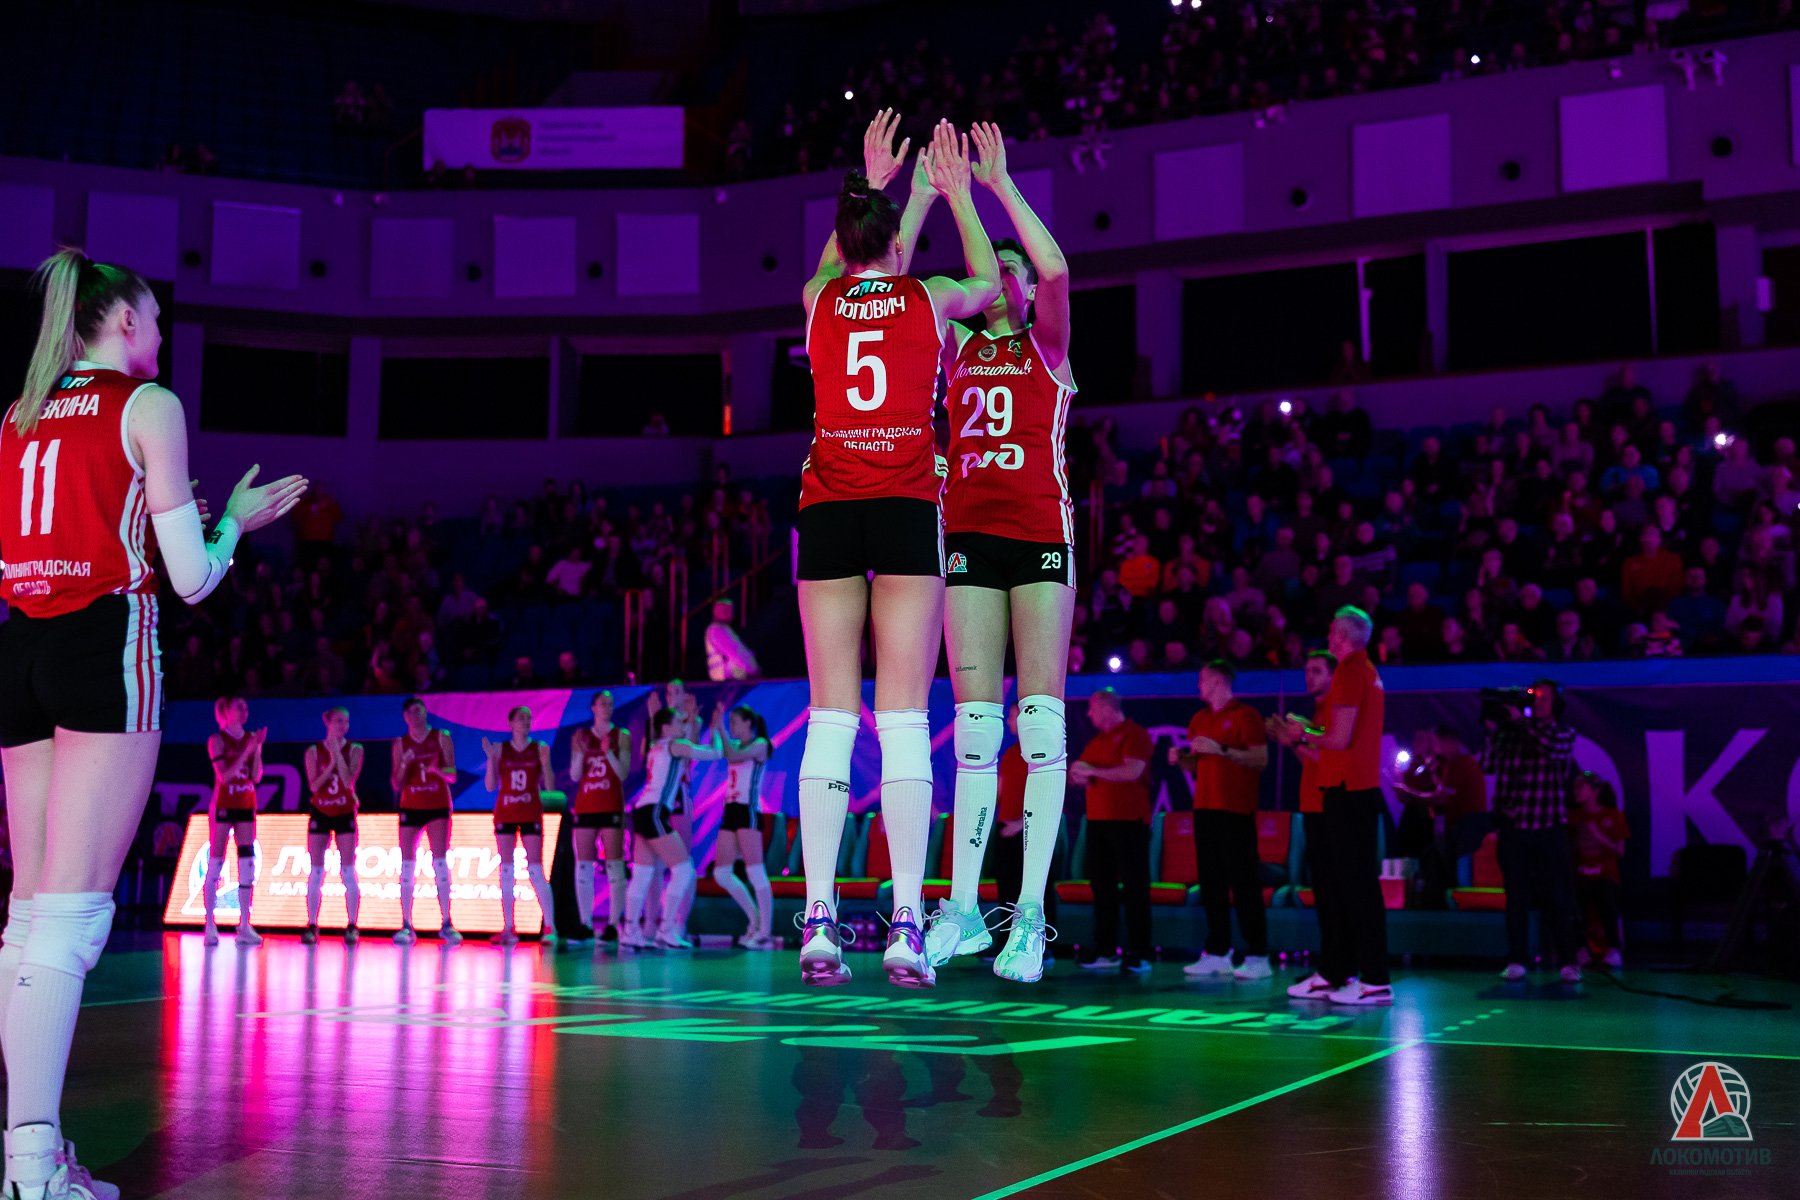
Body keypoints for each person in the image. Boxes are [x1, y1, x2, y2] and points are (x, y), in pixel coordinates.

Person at [0, 247, 305, 1200]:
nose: (164, 337)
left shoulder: (20, 413)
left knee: (29, 914)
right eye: (158, 321)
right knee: (71, 916)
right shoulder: (150, 406)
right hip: (104, 646)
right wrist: (234, 524)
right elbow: (192, 579)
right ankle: (32, 1170)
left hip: (21, 648)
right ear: (125, 320)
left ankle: (28, 1159)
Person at [793, 115, 999, 989]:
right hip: (907, 507)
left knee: (831, 719)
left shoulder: (819, 299)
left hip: (830, 509)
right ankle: (908, 928)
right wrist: (957, 194)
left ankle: (818, 925)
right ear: (898, 246)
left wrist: (875, 186)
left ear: (844, 240)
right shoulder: (928, 297)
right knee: (906, 720)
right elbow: (989, 282)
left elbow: (839, 262)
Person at [911, 122, 1076, 987]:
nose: (1004, 279)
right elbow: (916, 285)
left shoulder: (1048, 347)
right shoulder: (959, 346)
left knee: (1039, 725)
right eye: (995, 273)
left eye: (1013, 273)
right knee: (975, 730)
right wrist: (943, 197)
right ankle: (965, 909)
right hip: (970, 535)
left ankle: (1033, 916)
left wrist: (999, 187)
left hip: (1041, 536)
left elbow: (1055, 270)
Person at [1294, 607, 1392, 1005]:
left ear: (1344, 635)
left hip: (1349, 789)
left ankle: (1374, 980)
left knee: (1358, 888)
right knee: (1353, 886)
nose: (1329, 636)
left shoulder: (1351, 671)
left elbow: (1338, 738)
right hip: (1353, 788)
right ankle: (1347, 973)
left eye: (1333, 630)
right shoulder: (1365, 669)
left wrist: (1303, 731)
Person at [1173, 660, 1271, 981]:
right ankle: (1218, 952)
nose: (1198, 685)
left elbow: (1260, 758)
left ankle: (1258, 954)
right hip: (1205, 808)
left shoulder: (1245, 715)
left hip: (1236, 810)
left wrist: (1223, 749)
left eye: (1202, 679)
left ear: (1218, 681)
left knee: (1244, 883)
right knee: (1211, 883)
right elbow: (1199, 765)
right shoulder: (1200, 718)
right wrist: (1183, 759)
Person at [1481, 680, 1583, 983]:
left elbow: (1552, 750)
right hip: (1515, 827)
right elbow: (1487, 765)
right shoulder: (1511, 734)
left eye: (1544, 699)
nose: (1538, 703)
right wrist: (1494, 729)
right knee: (1516, 896)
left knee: (1558, 895)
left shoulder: (1563, 733)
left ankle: (1567, 960)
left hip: (1549, 824)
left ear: (1556, 705)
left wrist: (1520, 722)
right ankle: (1517, 958)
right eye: (1535, 698)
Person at [1267, 650, 1339, 999]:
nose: (1310, 676)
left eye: (1317, 671)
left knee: (1333, 894)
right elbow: (1312, 760)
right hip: (1313, 807)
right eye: (1307, 670)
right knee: (1323, 893)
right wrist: (1292, 741)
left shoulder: (1334, 713)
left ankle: (1337, 968)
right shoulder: (1320, 713)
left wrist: (1299, 737)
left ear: (1332, 675)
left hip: (1330, 809)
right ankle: (1330, 967)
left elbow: (1329, 760)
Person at [1069, 689, 1154, 975]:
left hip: (1129, 821)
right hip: (1098, 822)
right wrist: (1078, 773)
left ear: (1107, 708)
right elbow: (1080, 775)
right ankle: (1105, 949)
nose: (1089, 714)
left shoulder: (1134, 734)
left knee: (1134, 888)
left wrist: (1092, 771)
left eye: (1093, 708)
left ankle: (1139, 952)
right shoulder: (1096, 742)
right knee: (1102, 888)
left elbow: (1132, 771)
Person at [624, 706, 723, 950]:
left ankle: (630, 931)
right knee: (684, 869)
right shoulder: (675, 745)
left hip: (643, 810)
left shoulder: (655, 747)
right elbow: (715, 753)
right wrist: (717, 728)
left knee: (643, 874)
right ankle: (666, 929)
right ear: (667, 727)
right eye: (678, 721)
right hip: (655, 811)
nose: (683, 725)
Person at [482, 708, 558, 945]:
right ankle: (508, 928)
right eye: (520, 718)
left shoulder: (539, 748)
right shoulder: (501, 749)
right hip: (506, 812)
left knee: (535, 869)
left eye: (528, 718)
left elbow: (550, 787)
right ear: (510, 723)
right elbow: (490, 786)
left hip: (530, 812)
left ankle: (550, 927)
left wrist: (545, 763)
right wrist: (491, 759)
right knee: (507, 870)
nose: (526, 722)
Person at [390, 697, 462, 946]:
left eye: (419, 710)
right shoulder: (400, 743)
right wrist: (404, 763)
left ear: (425, 713)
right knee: (407, 864)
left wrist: (436, 770)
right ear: (405, 717)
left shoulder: (441, 736)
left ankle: (447, 923)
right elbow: (396, 783)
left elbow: (452, 774)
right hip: (411, 805)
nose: (416, 715)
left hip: (437, 804)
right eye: (412, 712)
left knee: (440, 861)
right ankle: (406, 924)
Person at [987, 706, 1059, 945]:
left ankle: (1042, 944)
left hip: (1034, 831)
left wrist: (1021, 824)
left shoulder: (1043, 751)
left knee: (1038, 889)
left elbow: (1050, 795)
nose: (1008, 721)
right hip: (1005, 830)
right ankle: (1005, 942)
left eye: (1011, 716)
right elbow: (999, 792)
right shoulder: (1010, 753)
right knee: (1007, 888)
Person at [568, 690, 630, 944]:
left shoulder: (621, 735)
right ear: (593, 707)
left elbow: (623, 773)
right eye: (602, 703)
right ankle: (585, 923)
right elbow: (574, 775)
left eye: (610, 704)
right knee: (584, 865)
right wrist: (583, 753)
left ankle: (613, 924)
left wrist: (608, 753)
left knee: (614, 864)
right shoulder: (581, 736)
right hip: (586, 805)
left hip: (611, 804)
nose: (606, 707)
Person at [203, 697, 265, 947]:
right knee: (216, 862)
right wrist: (248, 750)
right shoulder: (217, 740)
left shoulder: (251, 738)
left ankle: (244, 924)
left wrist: (257, 749)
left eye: (246, 707)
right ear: (226, 711)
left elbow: (256, 776)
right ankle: (210, 924)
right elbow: (225, 776)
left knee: (247, 863)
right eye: (239, 707)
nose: (244, 710)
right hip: (223, 804)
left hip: (246, 803)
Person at [301, 707, 362, 945]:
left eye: (346, 722)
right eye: (338, 721)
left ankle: (352, 925)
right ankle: (312, 925)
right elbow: (314, 786)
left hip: (344, 810)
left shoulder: (355, 749)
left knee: (348, 869)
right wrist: (331, 763)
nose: (343, 726)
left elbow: (347, 780)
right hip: (321, 810)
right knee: (317, 870)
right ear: (327, 723)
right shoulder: (313, 751)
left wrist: (337, 752)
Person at [718, 705, 777, 948]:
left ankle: (765, 932)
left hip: (747, 810)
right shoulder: (736, 745)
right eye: (729, 722)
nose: (731, 726)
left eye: (734, 721)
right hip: (731, 808)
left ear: (748, 723)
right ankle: (755, 920)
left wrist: (720, 729)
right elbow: (725, 751)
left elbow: (732, 756)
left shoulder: (760, 744)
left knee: (755, 870)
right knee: (721, 873)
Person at [1569, 771, 1628, 969]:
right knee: (1576, 900)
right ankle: (1581, 949)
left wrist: (1598, 836)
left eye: (1581, 787)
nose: (1576, 792)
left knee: (1606, 897)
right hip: (1580, 874)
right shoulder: (1572, 817)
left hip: (1605, 874)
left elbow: (1620, 851)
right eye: (1575, 787)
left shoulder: (1613, 816)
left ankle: (1613, 948)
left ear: (1595, 791)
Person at [704, 600, 762, 682]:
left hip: (731, 673)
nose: (729, 613)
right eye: (725, 610)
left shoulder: (724, 628)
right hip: (726, 674)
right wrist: (751, 669)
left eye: (730, 610)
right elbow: (733, 652)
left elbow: (737, 651)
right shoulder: (716, 629)